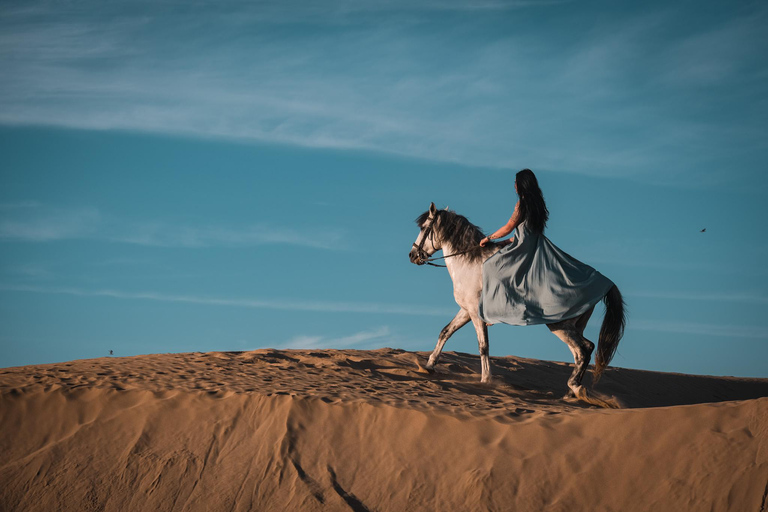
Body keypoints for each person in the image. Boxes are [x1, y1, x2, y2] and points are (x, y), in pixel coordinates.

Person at [477, 169, 614, 326]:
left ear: (521, 185)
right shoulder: (537, 204)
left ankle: (494, 312)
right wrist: (504, 243)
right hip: (534, 244)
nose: (514, 186)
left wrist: (489, 238)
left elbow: (509, 227)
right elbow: (525, 233)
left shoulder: (522, 204)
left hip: (524, 248)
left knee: (490, 266)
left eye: (516, 183)